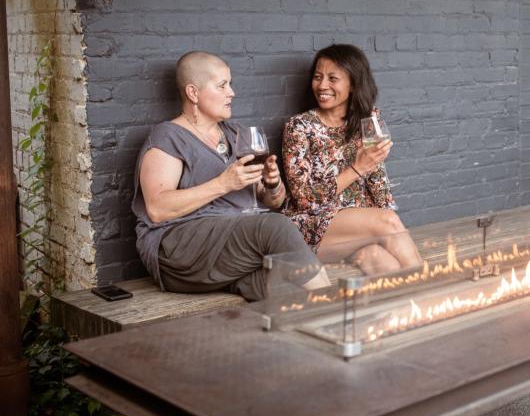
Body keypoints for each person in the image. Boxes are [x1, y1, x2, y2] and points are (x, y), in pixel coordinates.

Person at [132, 52, 330, 301]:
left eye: (230, 84)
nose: (231, 93)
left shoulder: (238, 134)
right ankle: (337, 310)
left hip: (229, 252)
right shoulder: (169, 137)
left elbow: (274, 202)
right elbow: (158, 209)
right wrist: (222, 184)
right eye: (222, 85)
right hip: (179, 251)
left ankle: (326, 326)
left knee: (288, 286)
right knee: (276, 227)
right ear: (193, 93)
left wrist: (272, 184)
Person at [282, 44, 423, 275]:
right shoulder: (299, 127)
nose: (322, 85)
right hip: (310, 228)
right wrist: (357, 168)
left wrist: (383, 231)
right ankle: (433, 296)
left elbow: (378, 184)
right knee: (388, 221)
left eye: (332, 78)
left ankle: (407, 307)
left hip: (356, 231)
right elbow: (304, 200)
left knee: (381, 261)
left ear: (354, 84)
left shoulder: (367, 120)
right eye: (318, 77)